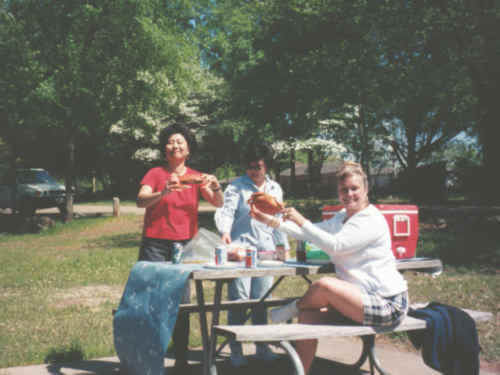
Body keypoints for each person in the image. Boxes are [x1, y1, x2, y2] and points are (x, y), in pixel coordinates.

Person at [249, 161, 409, 375]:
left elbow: (336, 246)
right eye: (344, 190)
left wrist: (301, 219)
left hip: (388, 304)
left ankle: (292, 308)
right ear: (338, 192)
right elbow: (311, 233)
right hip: (359, 299)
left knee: (324, 286)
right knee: (307, 316)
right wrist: (271, 221)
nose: (349, 194)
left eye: (354, 188)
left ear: (366, 189)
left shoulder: (370, 219)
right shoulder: (343, 217)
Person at [136, 123, 223, 372]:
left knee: (181, 302)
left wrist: (215, 185)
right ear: (165, 148)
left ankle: (182, 358)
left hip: (185, 246)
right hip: (155, 244)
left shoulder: (196, 176)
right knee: (153, 301)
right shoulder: (155, 174)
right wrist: (163, 192)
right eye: (171, 141)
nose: (175, 145)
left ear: (188, 149)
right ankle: (151, 357)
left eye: (180, 142)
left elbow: (217, 202)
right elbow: (141, 200)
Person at [214, 143, 289, 367]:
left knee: (261, 301)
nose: (254, 171)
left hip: (266, 251)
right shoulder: (236, 186)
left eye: (258, 166)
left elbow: (278, 219)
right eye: (250, 167)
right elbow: (226, 212)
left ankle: (261, 346)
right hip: (241, 250)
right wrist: (225, 232)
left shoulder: (275, 188)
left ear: (266, 166)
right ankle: (235, 349)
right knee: (239, 300)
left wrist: (282, 245)